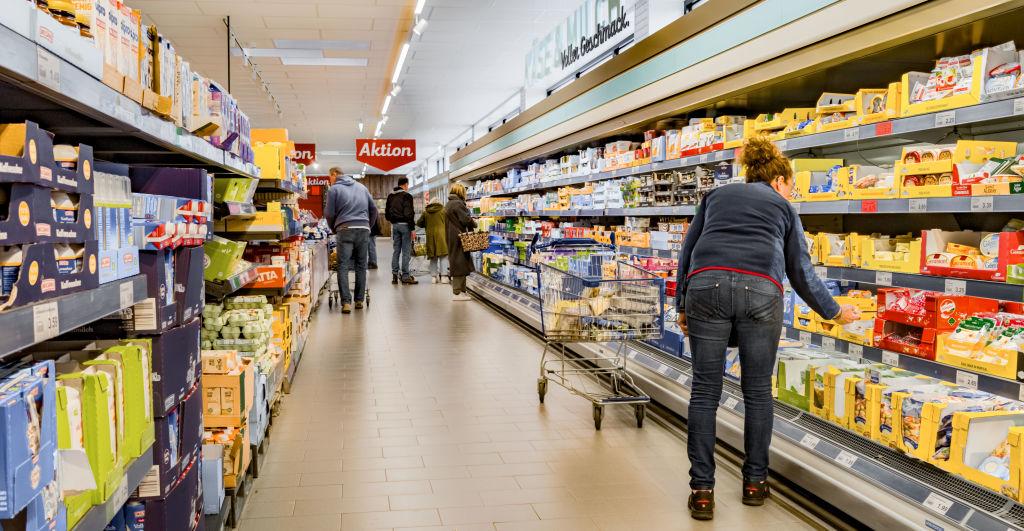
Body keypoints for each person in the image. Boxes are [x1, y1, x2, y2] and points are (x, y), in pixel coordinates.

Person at [675, 137, 860, 521]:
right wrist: (835, 312)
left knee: (705, 391)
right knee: (757, 391)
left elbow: (687, 251)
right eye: (791, 185)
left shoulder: (714, 197)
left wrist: (681, 303)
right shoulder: (784, 208)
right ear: (778, 181)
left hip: (705, 287)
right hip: (761, 291)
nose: (791, 191)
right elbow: (801, 271)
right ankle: (755, 483)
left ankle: (703, 491)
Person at [324, 167, 378, 314]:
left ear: (334, 175)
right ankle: (359, 300)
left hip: (345, 228)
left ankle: (346, 303)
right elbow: (374, 209)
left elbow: (329, 214)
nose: (330, 180)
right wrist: (367, 225)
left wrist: (334, 228)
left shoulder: (333, 190)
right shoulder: (362, 187)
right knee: (361, 265)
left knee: (343, 266)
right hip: (363, 229)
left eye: (329, 177)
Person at [444, 183, 476, 301]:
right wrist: (474, 223)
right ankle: (457, 292)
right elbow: (465, 219)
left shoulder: (450, 203)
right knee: (459, 262)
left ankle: (462, 291)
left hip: (452, 235)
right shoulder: (457, 203)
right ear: (460, 192)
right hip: (458, 237)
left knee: (460, 261)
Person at [385, 176, 417, 285]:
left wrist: (394, 220)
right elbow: (409, 213)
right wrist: (412, 229)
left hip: (395, 226)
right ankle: (405, 276)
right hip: (405, 226)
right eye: (408, 185)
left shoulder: (391, 196)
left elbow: (387, 214)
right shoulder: (407, 196)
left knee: (396, 250)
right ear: (405, 185)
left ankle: (394, 275)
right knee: (406, 252)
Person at [417, 200, 449, 284]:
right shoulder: (443, 211)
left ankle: (434, 277)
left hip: (430, 236)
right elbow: (448, 223)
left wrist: (427, 223)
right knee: (443, 256)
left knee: (433, 257)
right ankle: (444, 277)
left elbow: (419, 223)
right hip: (442, 236)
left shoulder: (426, 212)